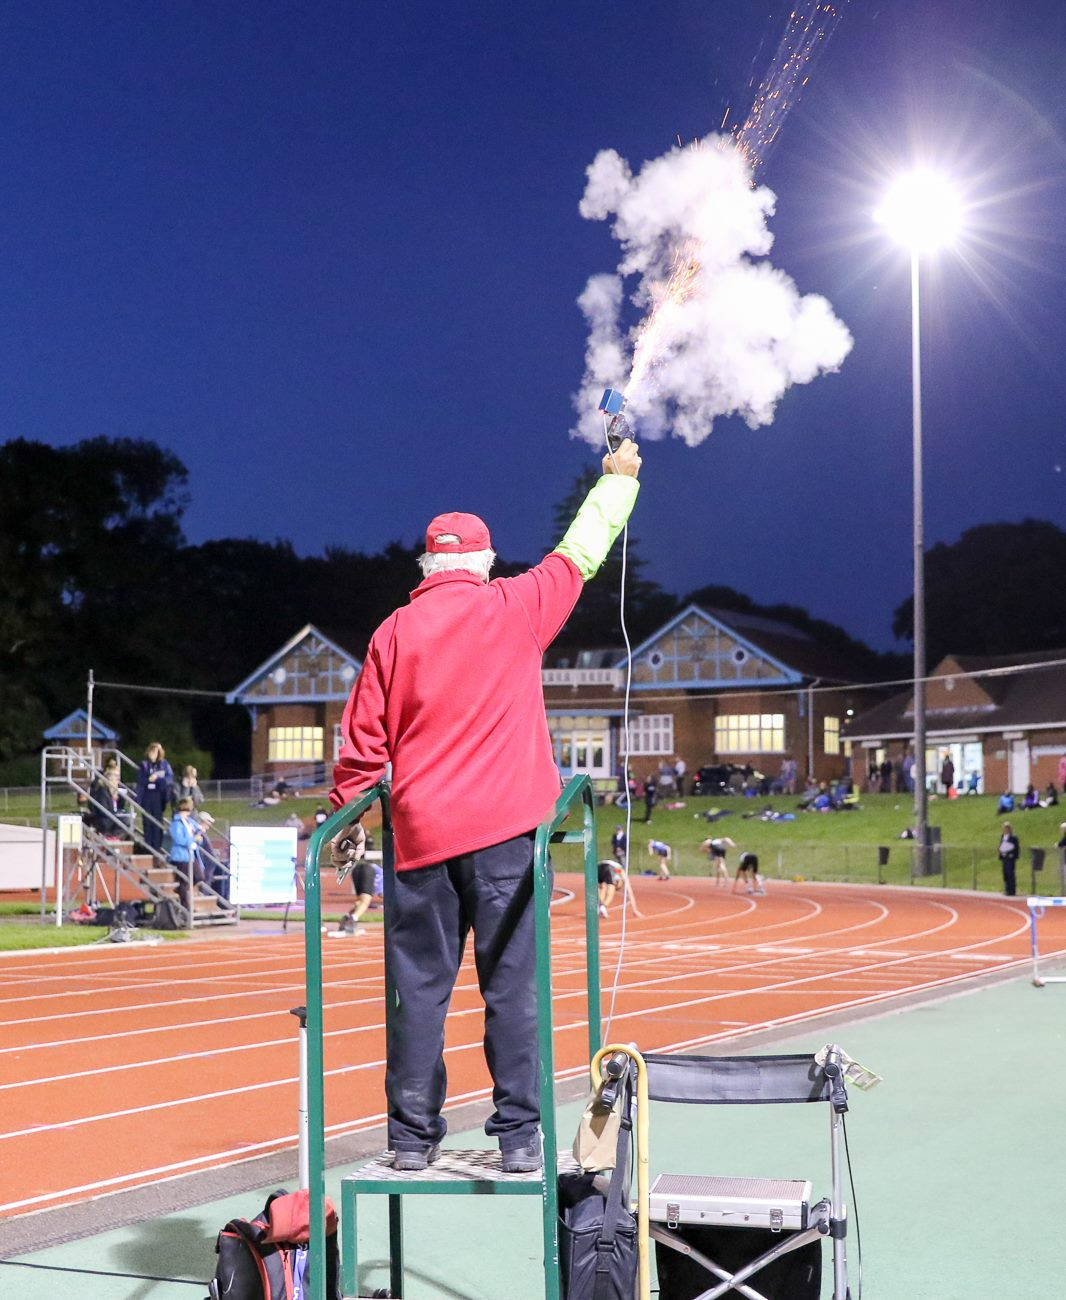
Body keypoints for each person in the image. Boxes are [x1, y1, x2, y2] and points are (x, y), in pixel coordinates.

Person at [328, 437, 641, 1174]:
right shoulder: (517, 606)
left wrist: (345, 818)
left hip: (422, 838)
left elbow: (362, 740)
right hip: (509, 837)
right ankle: (520, 1138)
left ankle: (409, 1140)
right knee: (513, 989)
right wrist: (618, 483)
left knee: (418, 994)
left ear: (425, 568)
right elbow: (579, 552)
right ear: (484, 563)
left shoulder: (393, 632)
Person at [135, 742, 174, 853]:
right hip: (147, 795)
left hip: (158, 796)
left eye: (156, 752)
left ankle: (157, 847)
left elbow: (169, 779)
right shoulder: (144, 765)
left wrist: (157, 779)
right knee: (147, 821)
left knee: (157, 821)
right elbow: (140, 780)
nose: (153, 754)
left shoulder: (164, 764)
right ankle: (148, 846)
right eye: (152, 752)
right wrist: (149, 779)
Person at [86, 758, 131, 838]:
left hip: (112, 817)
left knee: (127, 820)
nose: (118, 779)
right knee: (125, 820)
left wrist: (119, 798)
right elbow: (103, 811)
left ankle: (113, 837)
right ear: (110, 777)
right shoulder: (102, 791)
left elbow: (120, 807)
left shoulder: (116, 790)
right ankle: (110, 836)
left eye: (119, 776)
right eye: (116, 776)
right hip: (104, 819)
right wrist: (117, 814)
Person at [337, 854, 377, 936]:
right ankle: (353, 920)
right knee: (365, 902)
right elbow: (382, 894)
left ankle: (346, 918)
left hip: (356, 869)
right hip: (368, 870)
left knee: (360, 902)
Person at [997, 822, 1020, 897]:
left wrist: (1013, 854)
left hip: (1010, 858)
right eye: (1004, 828)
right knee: (1005, 874)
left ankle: (1012, 890)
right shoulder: (1003, 836)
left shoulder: (1013, 837)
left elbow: (1016, 848)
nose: (1006, 829)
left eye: (1007, 828)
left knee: (1010, 874)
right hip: (1004, 858)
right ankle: (1007, 889)